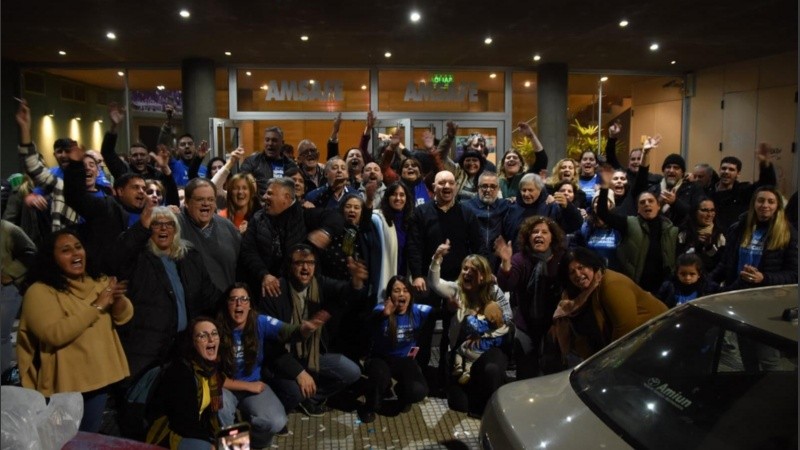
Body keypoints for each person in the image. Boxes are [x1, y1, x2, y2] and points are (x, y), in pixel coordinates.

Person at [17, 229, 133, 432]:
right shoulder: (39, 291)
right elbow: (54, 334)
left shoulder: (99, 281)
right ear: (51, 258)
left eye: (78, 247)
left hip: (98, 378)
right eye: (66, 250)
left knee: (88, 439)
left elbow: (124, 317)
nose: (76, 253)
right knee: (63, 441)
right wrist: (97, 306)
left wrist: (117, 300)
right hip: (63, 387)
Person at [111, 205, 218, 382]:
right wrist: (140, 228)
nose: (163, 228)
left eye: (169, 224)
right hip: (147, 352)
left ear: (175, 230)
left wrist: (233, 301)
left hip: (183, 347)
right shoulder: (138, 257)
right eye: (156, 224)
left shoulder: (189, 257)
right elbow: (119, 254)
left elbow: (209, 294)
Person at [262, 244, 365, 418]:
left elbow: (346, 293)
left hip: (311, 354)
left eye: (310, 263)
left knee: (352, 371)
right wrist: (298, 373)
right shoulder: (276, 291)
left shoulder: (320, 284)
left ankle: (311, 398)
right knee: (295, 393)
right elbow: (270, 345)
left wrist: (356, 282)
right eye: (299, 263)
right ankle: (290, 395)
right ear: (290, 265)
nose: (306, 268)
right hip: (281, 357)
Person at [217, 283, 323, 447]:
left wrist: (304, 330)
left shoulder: (260, 321)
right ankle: (235, 446)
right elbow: (213, 377)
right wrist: (247, 386)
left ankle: (249, 440)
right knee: (220, 406)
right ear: (227, 304)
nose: (239, 304)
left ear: (250, 305)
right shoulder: (215, 330)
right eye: (233, 299)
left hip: (253, 386)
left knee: (276, 422)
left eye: (244, 299)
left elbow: (288, 331)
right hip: (226, 387)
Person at [407, 170, 487, 374]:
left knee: (455, 331)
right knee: (423, 329)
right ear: (434, 187)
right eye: (442, 183)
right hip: (427, 280)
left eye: (451, 183)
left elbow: (478, 246)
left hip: (459, 282)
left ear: (456, 187)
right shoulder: (421, 212)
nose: (447, 187)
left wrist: (478, 275)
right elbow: (414, 246)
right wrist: (417, 275)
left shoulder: (466, 213)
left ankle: (448, 373)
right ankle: (420, 373)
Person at [428, 250, 511, 417]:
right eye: (465, 268)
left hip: (487, 348)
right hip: (462, 351)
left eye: (473, 270)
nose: (467, 272)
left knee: (491, 370)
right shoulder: (456, 290)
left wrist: (487, 316)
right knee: (459, 404)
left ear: (483, 275)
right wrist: (436, 258)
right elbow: (434, 283)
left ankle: (492, 398)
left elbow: (508, 318)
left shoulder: (493, 290)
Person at [238, 177, 344, 306]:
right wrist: (264, 275)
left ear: (286, 197)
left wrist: (326, 232)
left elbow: (336, 218)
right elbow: (248, 251)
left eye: (270, 193)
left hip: (299, 294)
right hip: (264, 291)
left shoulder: (305, 214)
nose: (265, 197)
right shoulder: (257, 218)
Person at [552, 247, 668, 364]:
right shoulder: (575, 295)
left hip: (654, 339)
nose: (578, 274)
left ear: (592, 264)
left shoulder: (611, 285)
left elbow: (624, 329)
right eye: (572, 272)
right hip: (625, 348)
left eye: (581, 268)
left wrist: (608, 363)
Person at [595, 145, 679, 294]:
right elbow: (602, 213)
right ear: (638, 209)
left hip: (663, 289)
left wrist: (646, 154)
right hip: (635, 287)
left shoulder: (670, 229)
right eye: (642, 202)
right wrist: (604, 186)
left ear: (658, 205)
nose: (647, 204)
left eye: (651, 201)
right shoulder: (629, 223)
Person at [495, 216, 569, 378]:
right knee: (526, 372)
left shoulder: (562, 259)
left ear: (552, 237)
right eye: (535, 232)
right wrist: (506, 263)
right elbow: (507, 285)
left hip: (554, 325)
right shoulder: (520, 259)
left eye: (544, 232)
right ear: (528, 237)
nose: (539, 235)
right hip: (526, 325)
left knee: (552, 373)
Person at [359, 276, 432, 423]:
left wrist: (450, 308)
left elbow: (439, 312)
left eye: (405, 290)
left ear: (410, 294)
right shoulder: (381, 309)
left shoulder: (418, 310)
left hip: (404, 359)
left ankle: (402, 393)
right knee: (380, 377)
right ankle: (370, 405)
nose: (401, 294)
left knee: (418, 390)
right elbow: (366, 324)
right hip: (381, 358)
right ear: (389, 295)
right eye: (397, 290)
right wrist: (383, 315)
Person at [146, 317, 224, 449]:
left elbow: (211, 417)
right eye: (203, 336)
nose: (211, 339)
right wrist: (214, 443)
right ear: (192, 342)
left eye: (214, 334)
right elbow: (184, 424)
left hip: (193, 431)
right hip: (168, 434)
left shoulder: (212, 370)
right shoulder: (181, 372)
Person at [709, 186, 798, 290]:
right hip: (736, 292)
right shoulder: (738, 228)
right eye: (760, 201)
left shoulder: (788, 233)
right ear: (753, 203)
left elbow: (794, 274)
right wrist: (706, 282)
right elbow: (725, 264)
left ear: (777, 206)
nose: (765, 205)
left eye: (771, 202)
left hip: (768, 294)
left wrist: (764, 278)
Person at [102, 104, 180, 206]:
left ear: (148, 158)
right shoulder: (123, 172)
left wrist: (165, 167)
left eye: (142, 155)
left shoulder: (157, 175)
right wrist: (114, 126)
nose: (139, 158)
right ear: (129, 158)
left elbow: (173, 199)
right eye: (135, 155)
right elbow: (107, 152)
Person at [178, 178, 241, 294]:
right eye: (200, 199)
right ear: (186, 202)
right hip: (190, 303)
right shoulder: (175, 226)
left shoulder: (228, 227)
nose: (206, 204)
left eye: (211, 199)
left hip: (225, 301)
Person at [502, 173, 583, 252]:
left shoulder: (552, 207)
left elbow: (575, 224)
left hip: (546, 258)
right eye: (524, 190)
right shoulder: (511, 208)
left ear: (540, 189)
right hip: (516, 257)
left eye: (530, 190)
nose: (526, 194)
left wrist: (568, 207)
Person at [707, 144, 777, 231]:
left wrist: (765, 165)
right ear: (719, 170)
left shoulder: (743, 192)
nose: (726, 172)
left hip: (735, 234)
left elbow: (766, 186)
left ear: (738, 174)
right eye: (724, 168)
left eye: (731, 169)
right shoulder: (708, 191)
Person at [372, 182, 414, 299]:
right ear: (387, 197)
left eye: (402, 195)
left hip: (404, 271)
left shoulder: (411, 221)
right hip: (383, 272)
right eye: (394, 194)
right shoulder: (377, 218)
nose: (398, 198)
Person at [647, 152, 704, 227]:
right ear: (663, 171)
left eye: (676, 168)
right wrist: (658, 204)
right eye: (668, 167)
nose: (671, 170)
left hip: (681, 232)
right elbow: (645, 214)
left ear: (682, 173)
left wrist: (675, 202)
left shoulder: (693, 189)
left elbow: (695, 214)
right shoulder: (653, 189)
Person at [240, 126, 298, 197]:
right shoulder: (251, 162)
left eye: (274, 140)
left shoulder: (291, 166)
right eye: (267, 140)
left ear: (282, 143)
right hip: (258, 202)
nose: (270, 143)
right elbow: (242, 183)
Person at [676, 197, 727, 273]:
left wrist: (709, 247)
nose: (709, 214)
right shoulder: (684, 233)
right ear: (695, 212)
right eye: (704, 210)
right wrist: (696, 246)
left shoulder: (720, 235)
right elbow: (679, 260)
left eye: (712, 210)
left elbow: (721, 263)